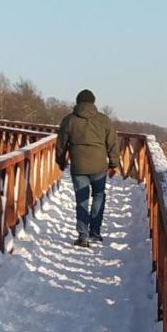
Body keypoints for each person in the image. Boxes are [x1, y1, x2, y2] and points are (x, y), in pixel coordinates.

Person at [55, 89, 119, 247]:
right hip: (99, 166)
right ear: (93, 102)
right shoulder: (104, 120)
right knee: (98, 195)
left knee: (81, 199)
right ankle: (95, 232)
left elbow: (61, 144)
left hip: (79, 165)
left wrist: (61, 161)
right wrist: (113, 164)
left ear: (78, 102)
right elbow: (112, 143)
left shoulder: (69, 120)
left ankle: (83, 236)